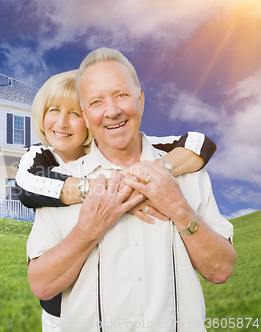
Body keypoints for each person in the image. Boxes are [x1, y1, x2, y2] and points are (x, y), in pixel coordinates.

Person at [26, 48, 236, 332]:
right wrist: (89, 229)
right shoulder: (61, 185)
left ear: (141, 99)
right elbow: (41, 285)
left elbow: (221, 270)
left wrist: (178, 207)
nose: (112, 111)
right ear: (86, 116)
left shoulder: (188, 173)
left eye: (121, 95)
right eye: (97, 102)